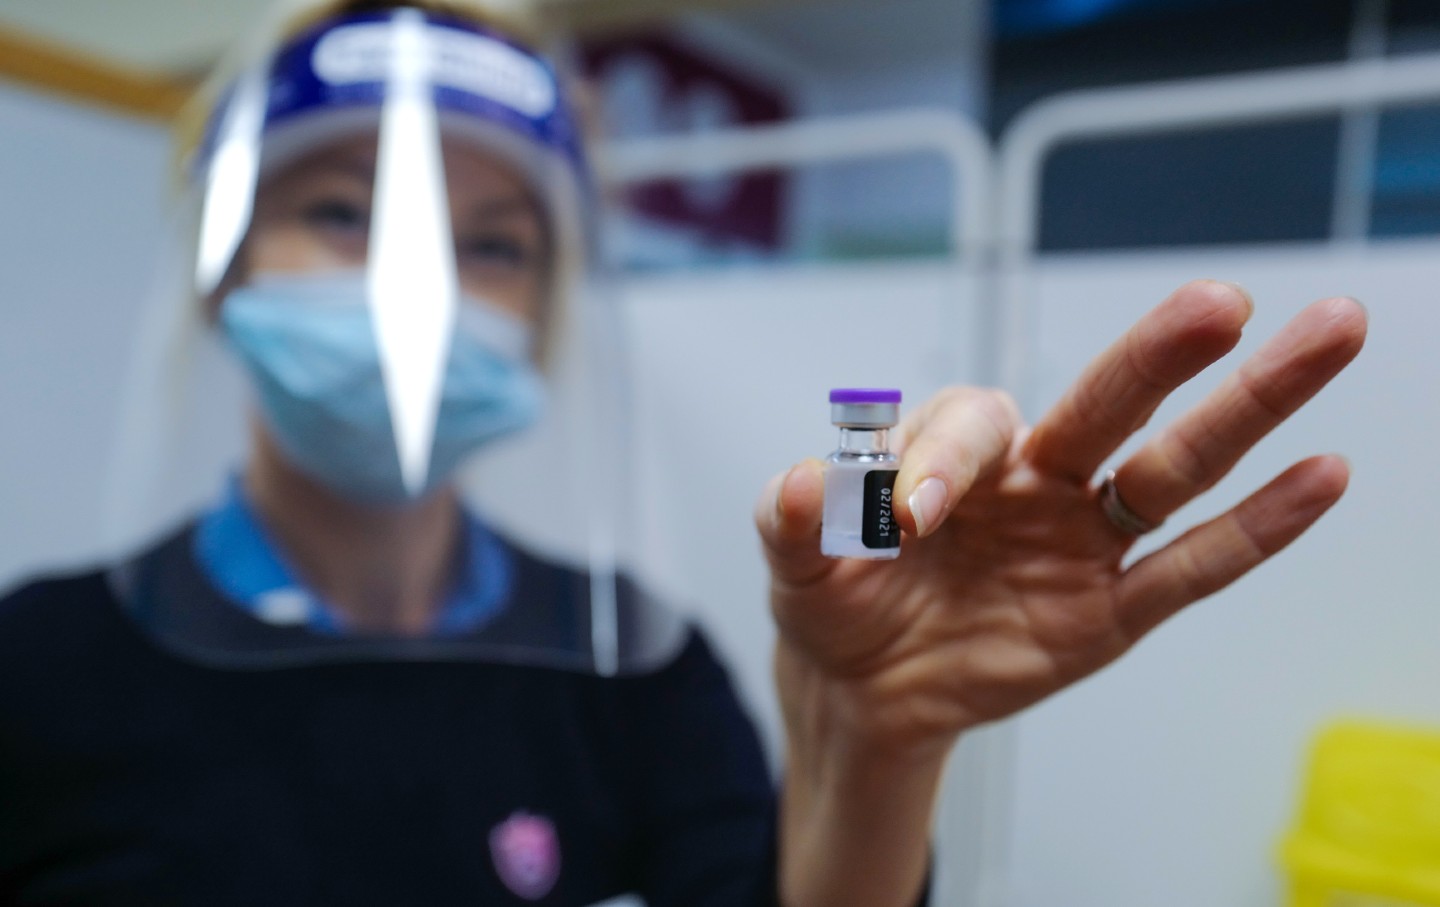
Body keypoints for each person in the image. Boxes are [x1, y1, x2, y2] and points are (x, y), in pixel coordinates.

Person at [0, 1, 1369, 906]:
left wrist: (878, 750)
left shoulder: (629, 668)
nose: (415, 291)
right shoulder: (40, 666)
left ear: (543, 315)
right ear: (218, 267)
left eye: (493, 242)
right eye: (343, 212)